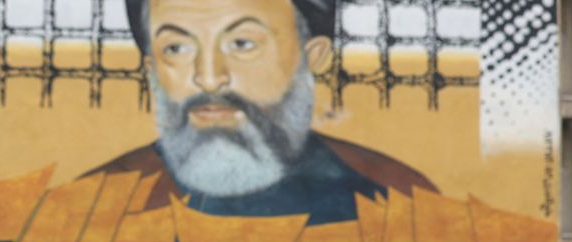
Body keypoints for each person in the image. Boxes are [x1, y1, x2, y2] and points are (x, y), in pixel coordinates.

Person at [84, 0, 436, 224]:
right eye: (176, 48)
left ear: (311, 56)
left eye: (242, 44)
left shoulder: (400, 199)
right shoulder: (86, 208)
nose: (208, 78)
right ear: (152, 67)